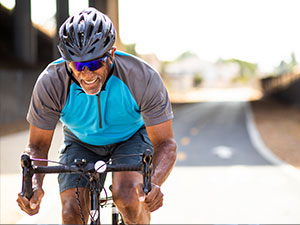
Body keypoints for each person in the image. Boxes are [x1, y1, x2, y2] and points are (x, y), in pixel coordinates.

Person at [16, 7, 177, 224]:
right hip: (80, 141)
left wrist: (153, 184)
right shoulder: (51, 82)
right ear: (67, 62)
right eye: (79, 65)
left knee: (129, 197)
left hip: (131, 137)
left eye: (95, 63)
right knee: (71, 212)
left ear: (111, 54)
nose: (87, 74)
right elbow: (37, 146)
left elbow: (166, 143)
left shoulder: (141, 77)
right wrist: (34, 185)